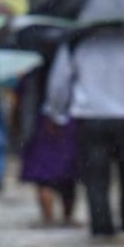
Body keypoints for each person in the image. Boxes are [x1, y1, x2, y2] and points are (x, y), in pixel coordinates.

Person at [46, 25, 124, 238]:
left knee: (95, 178)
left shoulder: (76, 44)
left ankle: (101, 230)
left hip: (90, 119)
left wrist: (56, 114)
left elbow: (58, 84)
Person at [18, 55, 80, 227]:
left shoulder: (32, 66)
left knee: (44, 177)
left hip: (43, 123)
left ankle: (49, 220)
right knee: (68, 176)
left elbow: (23, 99)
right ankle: (66, 220)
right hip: (69, 121)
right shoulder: (73, 59)